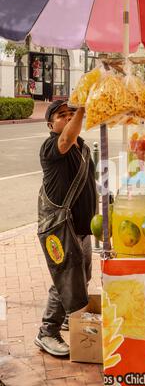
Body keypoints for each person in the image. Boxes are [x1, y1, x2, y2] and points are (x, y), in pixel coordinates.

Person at [35, 100, 96, 356]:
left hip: (80, 228)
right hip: (62, 229)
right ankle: (47, 332)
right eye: (62, 116)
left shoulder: (80, 147)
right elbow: (66, 138)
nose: (69, 118)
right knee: (65, 280)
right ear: (51, 125)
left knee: (81, 277)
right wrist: (81, 109)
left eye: (71, 114)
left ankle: (70, 315)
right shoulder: (52, 146)